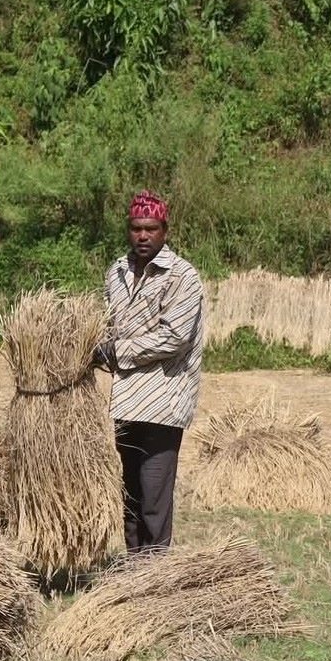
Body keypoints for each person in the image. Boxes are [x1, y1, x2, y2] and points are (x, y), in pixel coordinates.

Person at [97, 190, 206, 554]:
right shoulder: (117, 272)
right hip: (125, 400)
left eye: (151, 229)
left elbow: (174, 338)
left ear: (165, 231)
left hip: (163, 401)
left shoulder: (183, 277)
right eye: (136, 228)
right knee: (130, 492)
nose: (143, 236)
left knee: (153, 496)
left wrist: (117, 351)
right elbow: (108, 325)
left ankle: (155, 571)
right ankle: (134, 568)